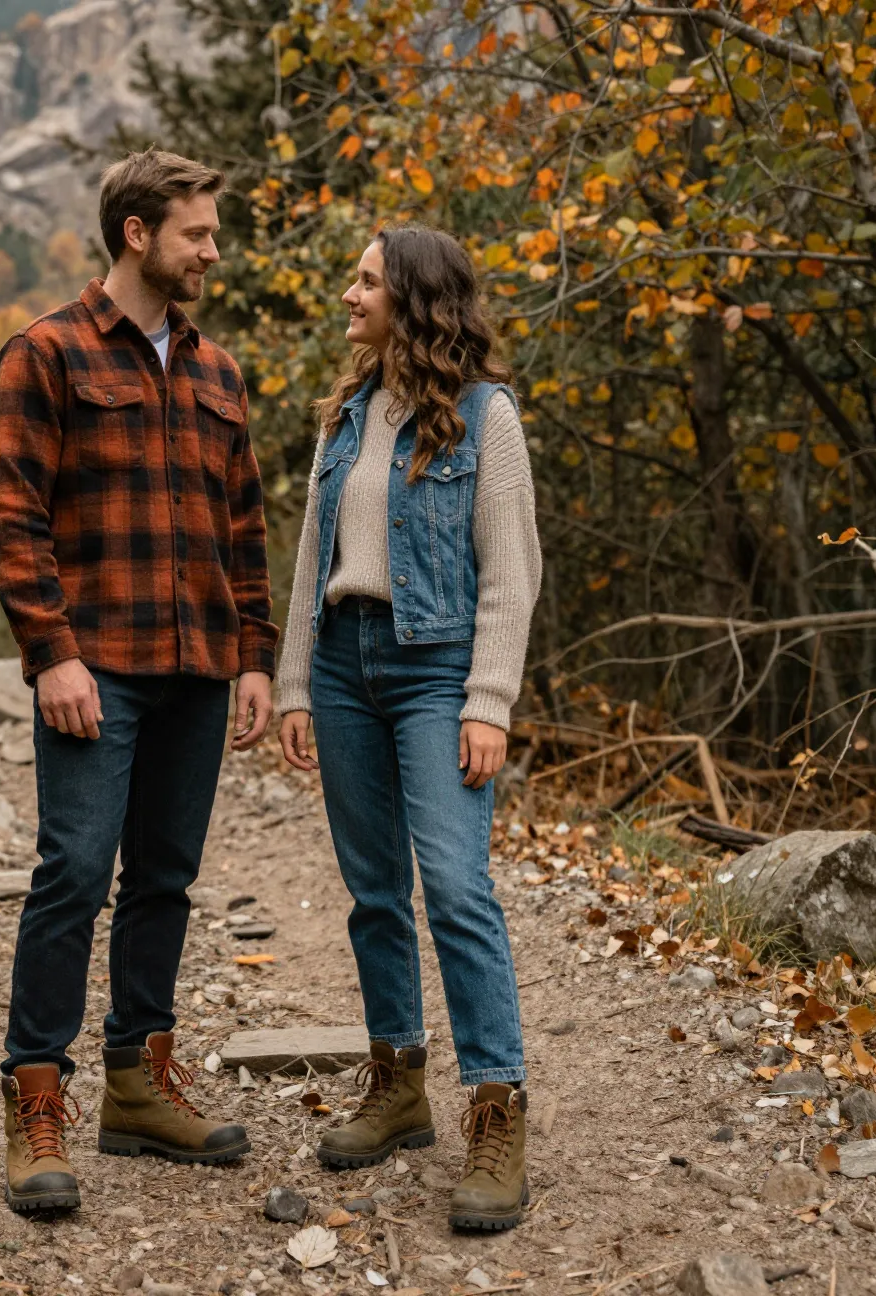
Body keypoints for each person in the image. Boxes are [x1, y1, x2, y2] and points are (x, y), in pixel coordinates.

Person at [0, 147, 277, 1213]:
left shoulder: (217, 369)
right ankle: (35, 1102)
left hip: (200, 671)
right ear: (137, 233)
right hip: (95, 672)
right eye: (197, 233)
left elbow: (244, 526)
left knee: (165, 882)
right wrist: (51, 651)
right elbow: (14, 520)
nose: (213, 251)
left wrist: (255, 657)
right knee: (72, 874)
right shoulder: (45, 354)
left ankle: (140, 1085)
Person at [274, 224, 542, 1231]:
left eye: (367, 282)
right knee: (374, 891)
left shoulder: (486, 417)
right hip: (344, 661)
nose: (349, 295)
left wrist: (489, 702)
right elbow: (310, 553)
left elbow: (511, 572)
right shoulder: (346, 413)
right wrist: (294, 681)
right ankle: (397, 1085)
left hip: (438, 670)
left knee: (459, 888)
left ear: (415, 300)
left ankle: (497, 1103)